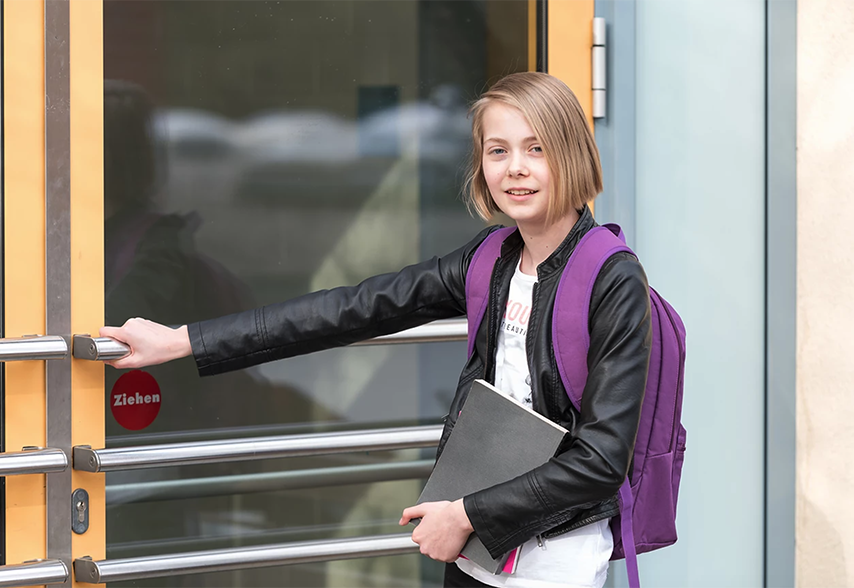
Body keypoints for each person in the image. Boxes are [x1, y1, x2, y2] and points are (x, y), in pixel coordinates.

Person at [101, 71, 652, 588]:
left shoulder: (611, 277)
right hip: (473, 546)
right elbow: (349, 309)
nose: (515, 168)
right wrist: (183, 340)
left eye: (537, 148)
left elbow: (601, 461)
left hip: (549, 556)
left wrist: (465, 514)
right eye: (497, 150)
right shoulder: (492, 259)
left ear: (572, 155)